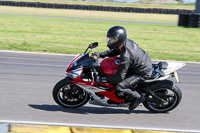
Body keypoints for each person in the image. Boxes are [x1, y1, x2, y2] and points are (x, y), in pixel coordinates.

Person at [93, 26, 153, 110]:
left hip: (142, 72)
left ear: (118, 39)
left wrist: (102, 79)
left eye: (112, 39)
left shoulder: (126, 56)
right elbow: (115, 51)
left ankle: (138, 97)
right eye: (110, 39)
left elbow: (119, 77)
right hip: (141, 63)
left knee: (119, 86)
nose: (110, 41)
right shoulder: (124, 43)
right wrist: (100, 54)